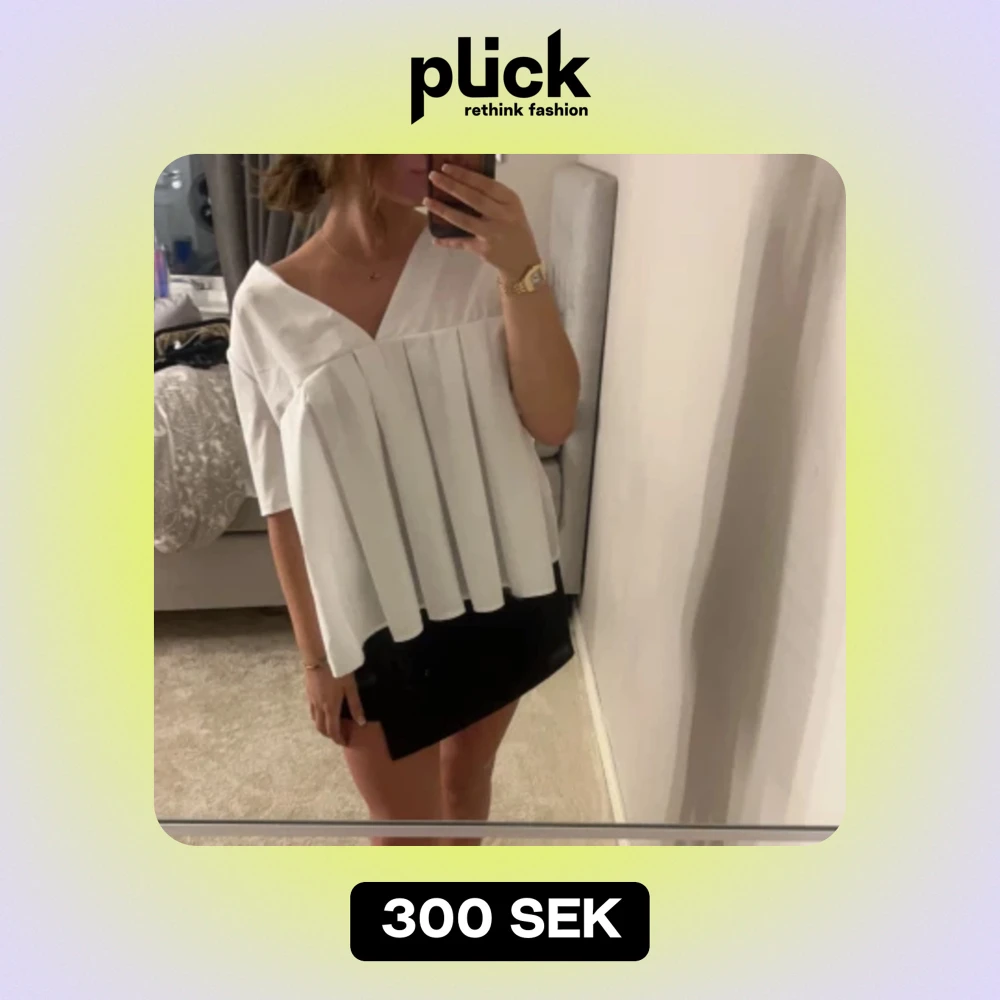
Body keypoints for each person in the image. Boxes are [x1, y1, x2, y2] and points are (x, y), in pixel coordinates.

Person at [227, 154, 581, 845]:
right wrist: (315, 658)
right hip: (369, 615)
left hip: (499, 576)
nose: (437, 148)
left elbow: (553, 421)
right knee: (403, 833)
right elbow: (281, 502)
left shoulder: (482, 263)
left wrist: (521, 268)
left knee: (466, 784)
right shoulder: (264, 311)